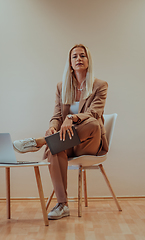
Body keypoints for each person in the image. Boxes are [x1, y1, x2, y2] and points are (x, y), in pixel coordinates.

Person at [13, 44, 109, 220]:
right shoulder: (61, 86)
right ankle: (62, 205)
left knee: (94, 123)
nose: (78, 59)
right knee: (55, 148)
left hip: (89, 142)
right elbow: (57, 115)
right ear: (70, 62)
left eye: (82, 55)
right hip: (67, 142)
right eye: (74, 57)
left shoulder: (99, 85)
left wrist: (72, 118)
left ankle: (40, 141)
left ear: (88, 60)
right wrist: (53, 127)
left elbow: (94, 113)